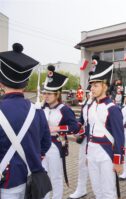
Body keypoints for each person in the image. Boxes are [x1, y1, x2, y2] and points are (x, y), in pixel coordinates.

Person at [0, 43, 51, 199]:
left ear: (1, 83)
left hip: (6, 183)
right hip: (31, 179)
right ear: (26, 84)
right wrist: (32, 158)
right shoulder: (38, 112)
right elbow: (46, 143)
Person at [87, 55, 124, 199]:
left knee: (108, 191)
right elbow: (89, 132)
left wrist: (118, 160)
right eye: (91, 85)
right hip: (92, 151)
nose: (92, 88)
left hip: (106, 152)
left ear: (105, 86)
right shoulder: (91, 106)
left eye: (96, 85)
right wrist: (87, 153)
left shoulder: (112, 108)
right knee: (97, 189)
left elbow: (119, 136)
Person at [42, 65, 79, 199]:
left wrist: (57, 128)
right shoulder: (41, 108)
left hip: (55, 145)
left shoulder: (65, 109)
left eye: (49, 93)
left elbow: (74, 127)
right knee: (42, 175)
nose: (45, 95)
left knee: (56, 177)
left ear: (57, 94)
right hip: (41, 146)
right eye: (44, 93)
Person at [69, 84, 93, 199]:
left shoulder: (104, 105)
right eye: (88, 92)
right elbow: (81, 120)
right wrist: (77, 128)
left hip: (99, 141)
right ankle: (81, 188)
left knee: (98, 166)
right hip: (85, 139)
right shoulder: (85, 104)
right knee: (82, 164)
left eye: (91, 91)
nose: (89, 94)